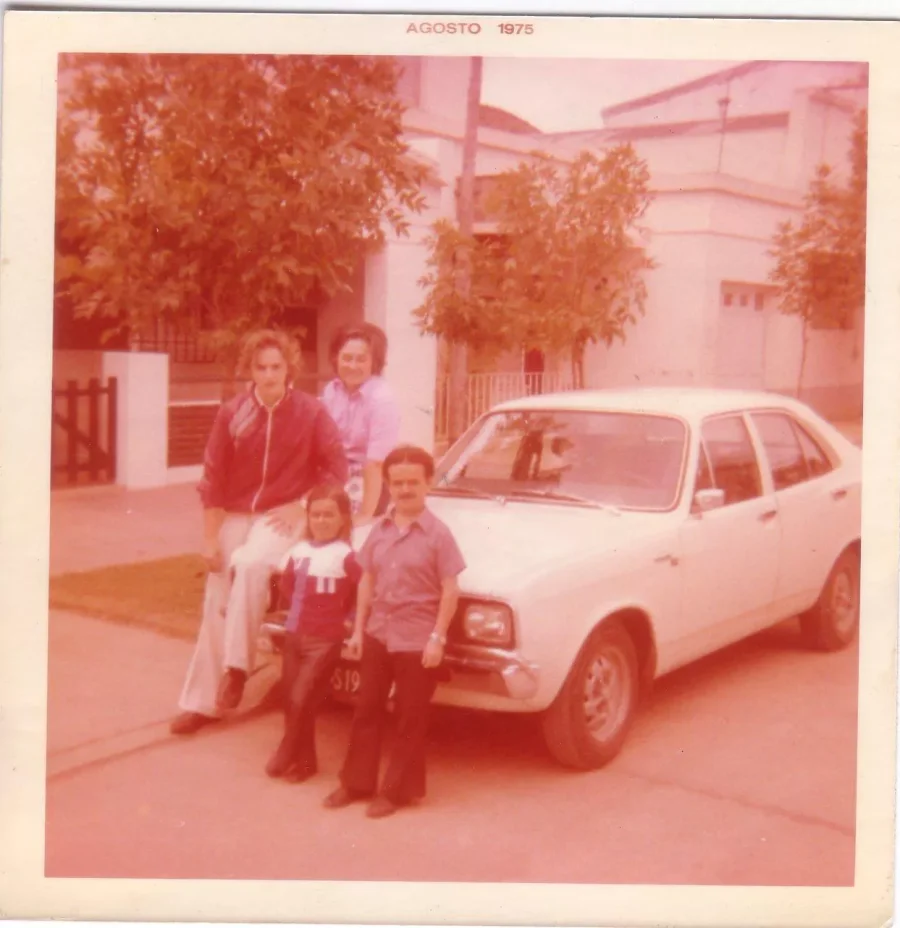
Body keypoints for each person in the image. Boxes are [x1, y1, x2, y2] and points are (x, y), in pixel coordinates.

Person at [170, 330, 348, 736]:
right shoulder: (234, 413)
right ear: (249, 370)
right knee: (217, 594)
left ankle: (236, 670)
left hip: (280, 517)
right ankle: (201, 704)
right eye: (261, 367)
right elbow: (212, 480)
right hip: (235, 514)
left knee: (249, 565)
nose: (269, 376)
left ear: (290, 369)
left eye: (277, 367)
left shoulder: (310, 412)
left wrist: (302, 504)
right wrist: (211, 540)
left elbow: (336, 470)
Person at [323, 445, 466, 819]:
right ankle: (355, 783)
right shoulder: (380, 531)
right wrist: (357, 631)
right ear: (387, 484)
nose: (405, 490)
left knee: (408, 717)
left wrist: (437, 638)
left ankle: (397, 791)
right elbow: (367, 579)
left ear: (429, 483)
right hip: (377, 633)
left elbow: (450, 590)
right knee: (366, 709)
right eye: (397, 483)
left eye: (413, 482)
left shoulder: (439, 534)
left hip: (418, 641)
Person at [265, 484, 361, 782]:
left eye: (329, 515)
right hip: (296, 635)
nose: (321, 521)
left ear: (343, 518)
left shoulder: (347, 556)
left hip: (324, 639)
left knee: (302, 697)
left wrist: (348, 619)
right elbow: (288, 586)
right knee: (292, 698)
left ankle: (287, 748)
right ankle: (306, 763)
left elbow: (362, 593)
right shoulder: (298, 551)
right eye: (316, 515)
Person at [320, 323, 401, 524]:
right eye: (347, 358)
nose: (352, 366)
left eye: (361, 359)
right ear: (335, 358)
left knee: (331, 518)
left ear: (374, 362)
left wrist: (365, 514)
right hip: (336, 472)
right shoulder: (332, 390)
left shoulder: (382, 399)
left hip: (370, 480)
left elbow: (375, 464)